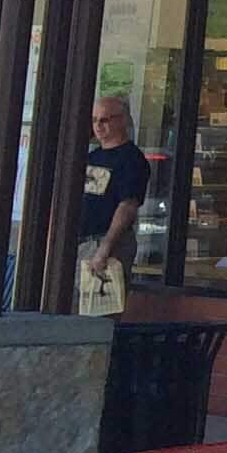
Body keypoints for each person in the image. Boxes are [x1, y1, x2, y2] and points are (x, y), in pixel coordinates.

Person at [76, 95, 152, 305]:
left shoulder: (131, 159)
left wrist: (106, 247)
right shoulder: (93, 157)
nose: (98, 126)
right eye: (94, 120)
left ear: (122, 120)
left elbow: (127, 206)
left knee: (99, 309)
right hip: (82, 242)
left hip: (107, 243)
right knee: (75, 307)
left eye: (104, 120)